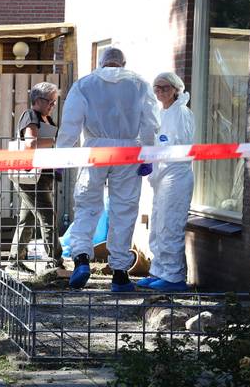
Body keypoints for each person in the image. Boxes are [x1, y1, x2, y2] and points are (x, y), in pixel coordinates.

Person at [55, 47, 159, 292]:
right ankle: (120, 273)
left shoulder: (84, 85)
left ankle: (81, 258)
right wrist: (148, 154)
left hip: (95, 148)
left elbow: (71, 124)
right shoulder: (140, 85)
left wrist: (60, 158)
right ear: (123, 63)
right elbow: (149, 124)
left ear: (101, 63)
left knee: (87, 204)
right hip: (128, 152)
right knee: (124, 209)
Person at [137, 72, 193, 292]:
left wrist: (155, 154)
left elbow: (176, 144)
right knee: (158, 224)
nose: (160, 91)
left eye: (165, 87)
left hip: (176, 175)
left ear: (176, 89)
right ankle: (159, 271)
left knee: (170, 225)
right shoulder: (164, 112)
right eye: (156, 88)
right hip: (162, 176)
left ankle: (174, 276)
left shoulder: (181, 112)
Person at [8, 82, 63, 273]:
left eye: (55, 102)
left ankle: (15, 260)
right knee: (48, 216)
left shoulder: (46, 119)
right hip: (31, 177)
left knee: (27, 220)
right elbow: (30, 144)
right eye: (51, 102)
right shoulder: (30, 116)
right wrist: (57, 141)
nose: (53, 106)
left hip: (42, 177)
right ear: (38, 100)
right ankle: (54, 261)